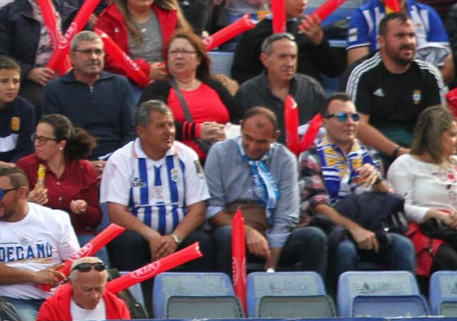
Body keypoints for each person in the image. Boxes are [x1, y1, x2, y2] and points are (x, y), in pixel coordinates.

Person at [297, 91, 412, 278]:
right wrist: (354, 229)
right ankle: (343, 305)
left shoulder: (370, 155)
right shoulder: (312, 156)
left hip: (371, 225)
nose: (350, 122)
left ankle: (404, 304)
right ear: (325, 122)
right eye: (341, 117)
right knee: (346, 250)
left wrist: (376, 182)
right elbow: (318, 206)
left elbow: (386, 198)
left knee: (403, 246)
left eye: (354, 117)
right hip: (333, 227)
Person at [204, 106, 328, 273]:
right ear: (240, 127)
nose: (253, 146)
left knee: (315, 237)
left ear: (275, 136)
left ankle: (312, 295)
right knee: (227, 235)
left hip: (272, 231)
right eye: (248, 138)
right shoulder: (219, 152)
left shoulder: (285, 159)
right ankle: (226, 295)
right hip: (233, 225)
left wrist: (271, 263)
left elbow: (285, 216)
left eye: (261, 141)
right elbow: (213, 209)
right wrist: (246, 231)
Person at [103, 99, 213, 273]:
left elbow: (198, 208)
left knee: (201, 241)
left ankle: (199, 297)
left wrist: (175, 238)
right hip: (141, 236)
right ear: (141, 132)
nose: (169, 131)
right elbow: (116, 212)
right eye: (160, 126)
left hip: (178, 236)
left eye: (171, 125)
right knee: (125, 240)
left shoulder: (187, 156)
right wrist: (151, 236)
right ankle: (131, 298)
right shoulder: (121, 159)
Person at [390, 106, 457, 276]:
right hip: (424, 226)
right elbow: (402, 207)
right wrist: (439, 216)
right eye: (452, 135)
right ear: (435, 138)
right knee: (448, 260)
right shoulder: (404, 164)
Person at [0, 163, 78, 319]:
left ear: (21, 193)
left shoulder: (56, 218)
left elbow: (74, 263)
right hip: (11, 300)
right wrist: (34, 276)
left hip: (57, 299)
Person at [348, 13, 448, 156]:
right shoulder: (362, 73)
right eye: (400, 36)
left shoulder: (429, 74)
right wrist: (396, 151)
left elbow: (439, 123)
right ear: (381, 41)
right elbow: (356, 126)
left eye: (412, 35)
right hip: (374, 151)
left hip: (418, 149)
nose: (408, 42)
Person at [139, 29, 239, 156]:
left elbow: (239, 117)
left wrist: (226, 132)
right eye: (174, 52)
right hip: (176, 160)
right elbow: (151, 125)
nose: (178, 56)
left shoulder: (214, 86)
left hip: (222, 157)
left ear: (198, 59)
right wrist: (198, 131)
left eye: (185, 51)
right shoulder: (157, 88)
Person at [231, 0, 345, 85]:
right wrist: (269, 85)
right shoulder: (254, 33)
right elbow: (239, 75)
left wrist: (320, 42)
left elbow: (332, 71)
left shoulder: (311, 28)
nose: (302, 2)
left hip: (308, 95)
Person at [345, 0, 453, 75]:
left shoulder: (426, 14)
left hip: (423, 86)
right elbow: (357, 67)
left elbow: (447, 66)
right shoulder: (363, 16)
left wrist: (425, 85)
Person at [43, 32, 137, 158]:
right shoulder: (54, 89)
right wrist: (82, 165)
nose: (93, 57)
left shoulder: (120, 84)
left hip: (118, 159)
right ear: (72, 57)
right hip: (73, 161)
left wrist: (117, 160)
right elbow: (54, 136)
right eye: (87, 52)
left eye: (98, 51)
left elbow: (131, 130)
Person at [96, 0, 190, 81]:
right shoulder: (108, 18)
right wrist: (145, 70)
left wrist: (166, 70)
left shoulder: (169, 14)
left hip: (168, 77)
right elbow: (107, 58)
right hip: (127, 81)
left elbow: (185, 48)